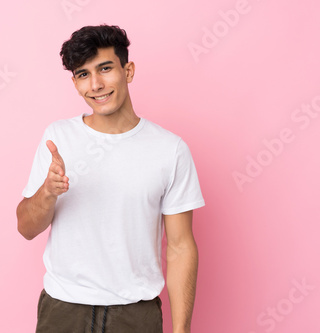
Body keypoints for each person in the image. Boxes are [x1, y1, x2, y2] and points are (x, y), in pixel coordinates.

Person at [17, 24, 205, 333]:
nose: (96, 84)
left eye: (105, 69)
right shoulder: (58, 138)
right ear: (76, 83)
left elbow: (181, 246)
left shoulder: (170, 150)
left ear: (128, 70)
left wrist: (182, 329)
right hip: (64, 310)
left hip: (136, 315)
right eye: (83, 75)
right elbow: (26, 228)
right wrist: (47, 193)